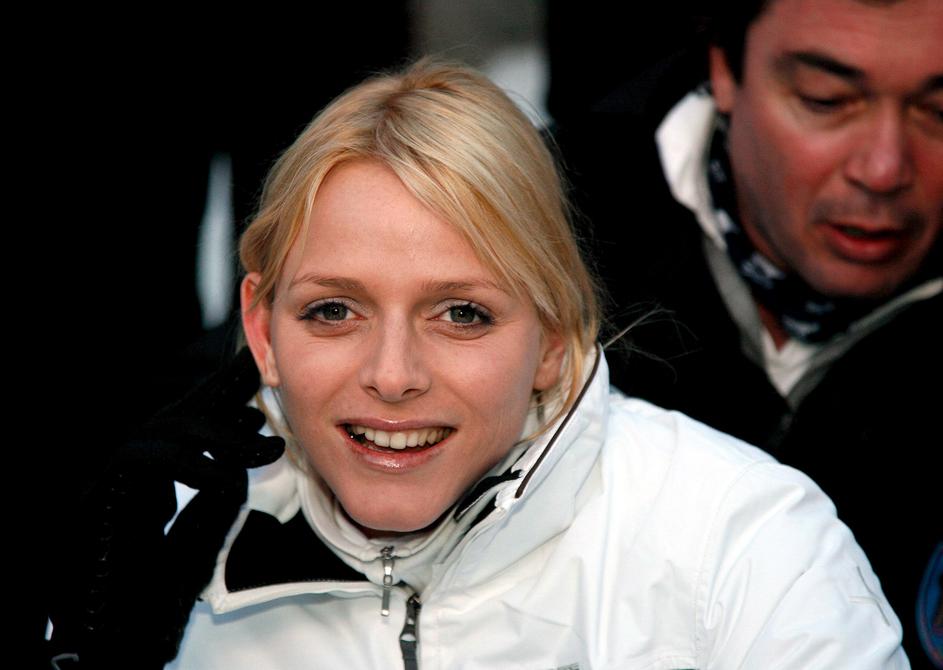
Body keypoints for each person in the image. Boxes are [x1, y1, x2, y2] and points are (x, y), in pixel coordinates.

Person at [53, 60, 907, 669]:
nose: (392, 375)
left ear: (555, 336)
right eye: (333, 310)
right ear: (261, 329)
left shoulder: (746, 541)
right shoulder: (148, 542)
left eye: (461, 313)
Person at [558, 1, 941, 665]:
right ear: (723, 69)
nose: (883, 168)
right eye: (826, 100)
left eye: (938, 111)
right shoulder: (535, 237)